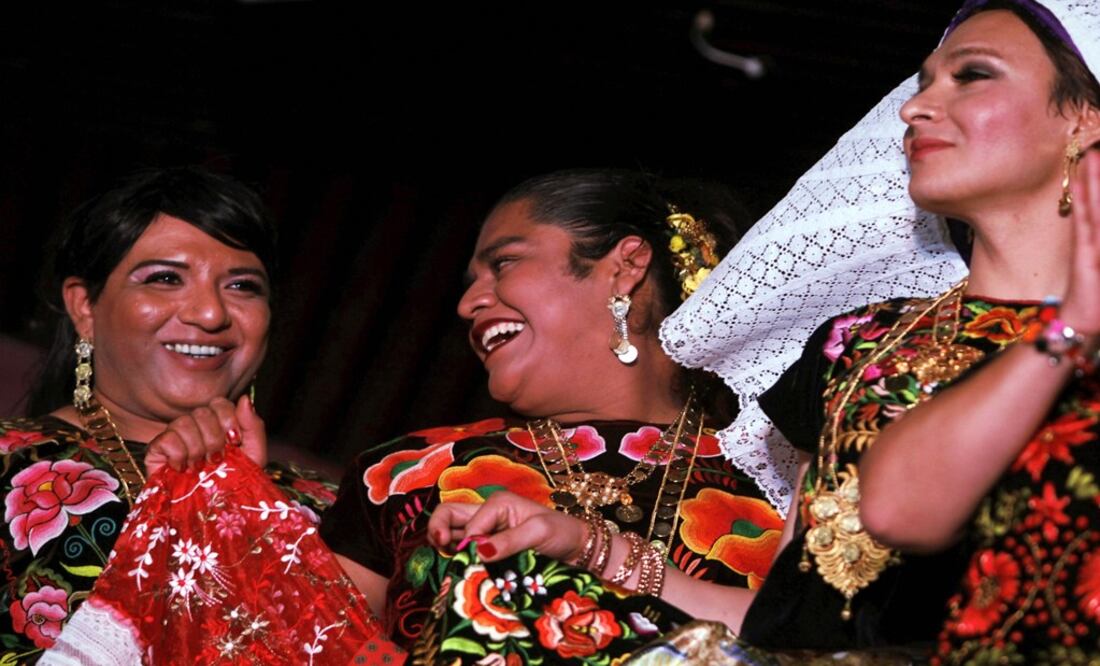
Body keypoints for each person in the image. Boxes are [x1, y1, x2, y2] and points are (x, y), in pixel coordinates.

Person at [662, 0, 1100, 660]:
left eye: (972, 75)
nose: (914, 108)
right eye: (923, 83)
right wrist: (594, 552)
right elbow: (792, 613)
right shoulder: (856, 342)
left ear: (1083, 118)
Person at [321, 169, 788, 662]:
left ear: (625, 265)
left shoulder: (781, 482)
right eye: (471, 281)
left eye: (503, 263)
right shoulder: (403, 475)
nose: (466, 303)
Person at [0, 167, 348, 663]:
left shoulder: (338, 512)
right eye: (165, 278)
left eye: (244, 286)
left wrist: (248, 506)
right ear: (84, 306)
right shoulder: (10, 464)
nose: (210, 314)